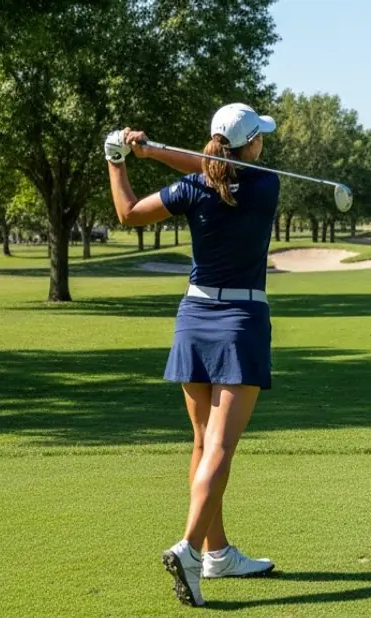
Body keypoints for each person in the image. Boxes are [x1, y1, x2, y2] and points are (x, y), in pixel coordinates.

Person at [104, 103, 281, 607]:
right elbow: (211, 168)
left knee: (203, 442)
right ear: (249, 146)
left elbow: (127, 214)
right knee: (221, 446)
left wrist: (120, 158)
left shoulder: (194, 187)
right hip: (241, 323)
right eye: (259, 138)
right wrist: (153, 150)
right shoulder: (265, 184)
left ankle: (217, 552)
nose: (263, 145)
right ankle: (188, 548)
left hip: (194, 317)